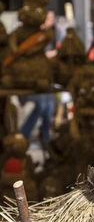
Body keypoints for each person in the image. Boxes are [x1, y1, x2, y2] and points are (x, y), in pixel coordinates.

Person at [20, 10, 57, 147]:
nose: (52, 21)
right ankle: (23, 133)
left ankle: (45, 138)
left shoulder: (50, 34)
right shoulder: (35, 35)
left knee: (48, 107)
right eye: (50, 18)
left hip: (45, 77)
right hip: (33, 78)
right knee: (42, 106)